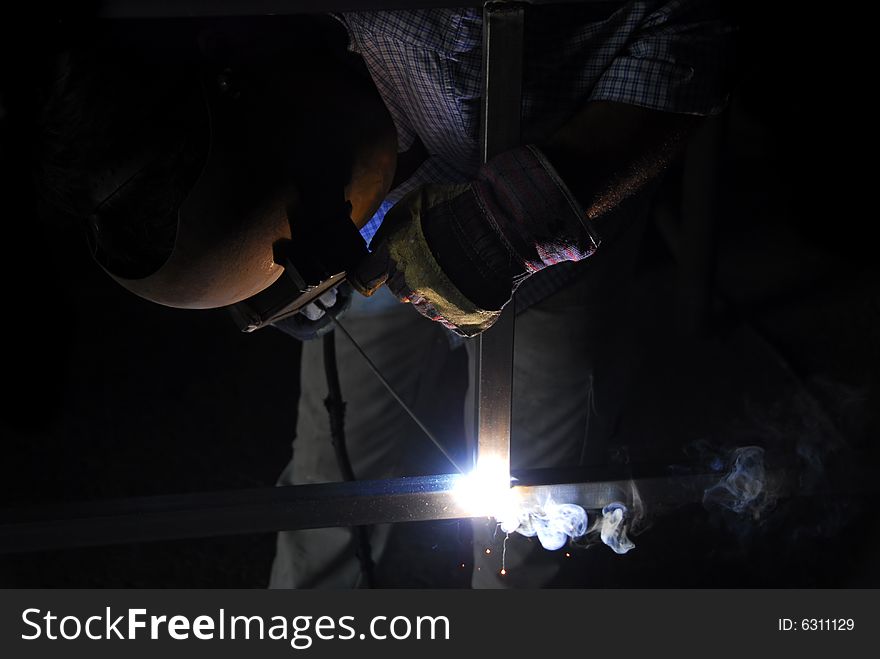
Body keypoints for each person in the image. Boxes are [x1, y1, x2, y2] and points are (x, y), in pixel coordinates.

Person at [36, 2, 731, 588]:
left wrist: (519, 218)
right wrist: (275, 283)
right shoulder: (273, 115)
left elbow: (700, 19)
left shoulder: (448, 29)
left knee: (539, 513)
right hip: (362, 216)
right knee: (328, 488)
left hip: (559, 254)